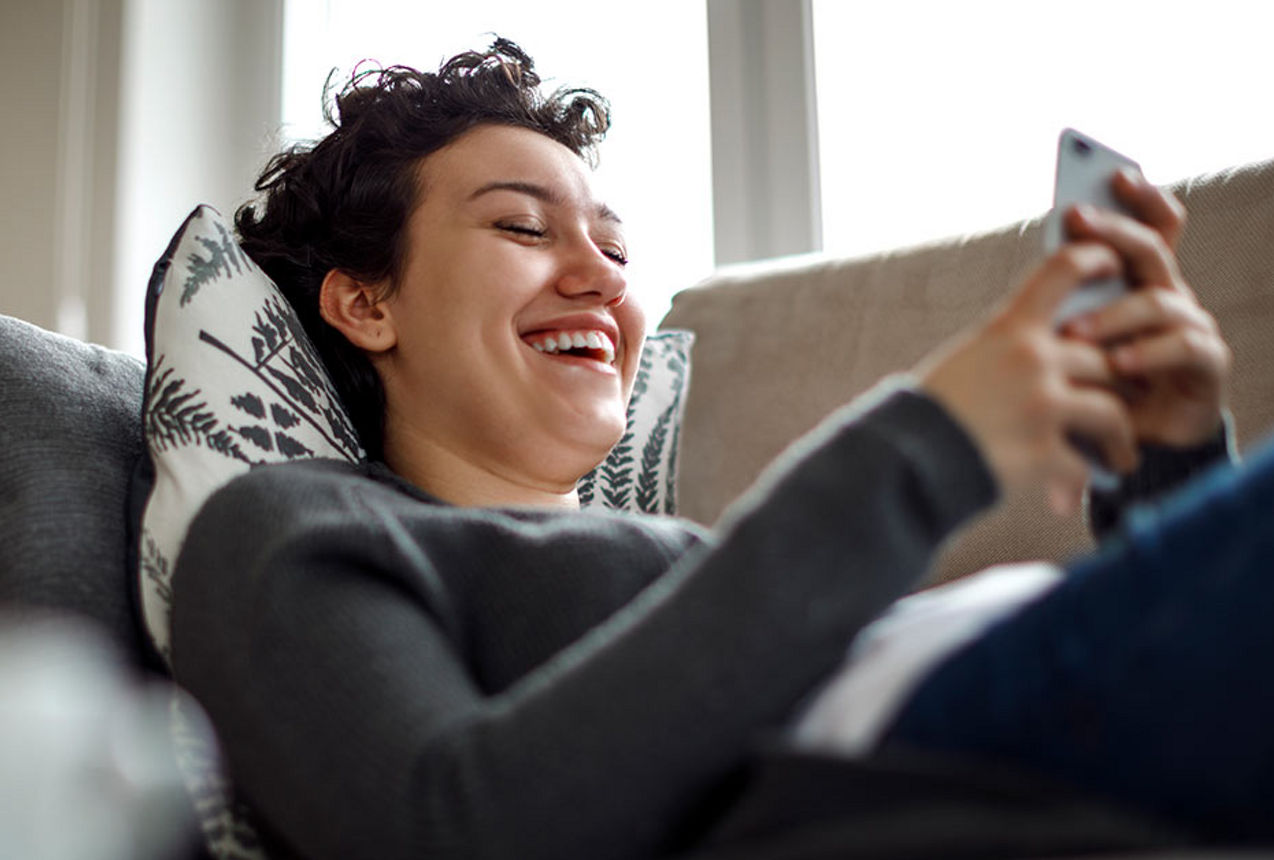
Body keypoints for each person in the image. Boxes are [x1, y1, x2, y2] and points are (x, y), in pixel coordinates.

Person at [170, 38, 1269, 860]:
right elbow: (445, 829)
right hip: (939, 748)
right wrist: (929, 442)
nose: (600, 278)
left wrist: (1166, 455)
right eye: (522, 226)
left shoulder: (668, 555)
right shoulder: (286, 522)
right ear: (365, 303)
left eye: (614, 247)